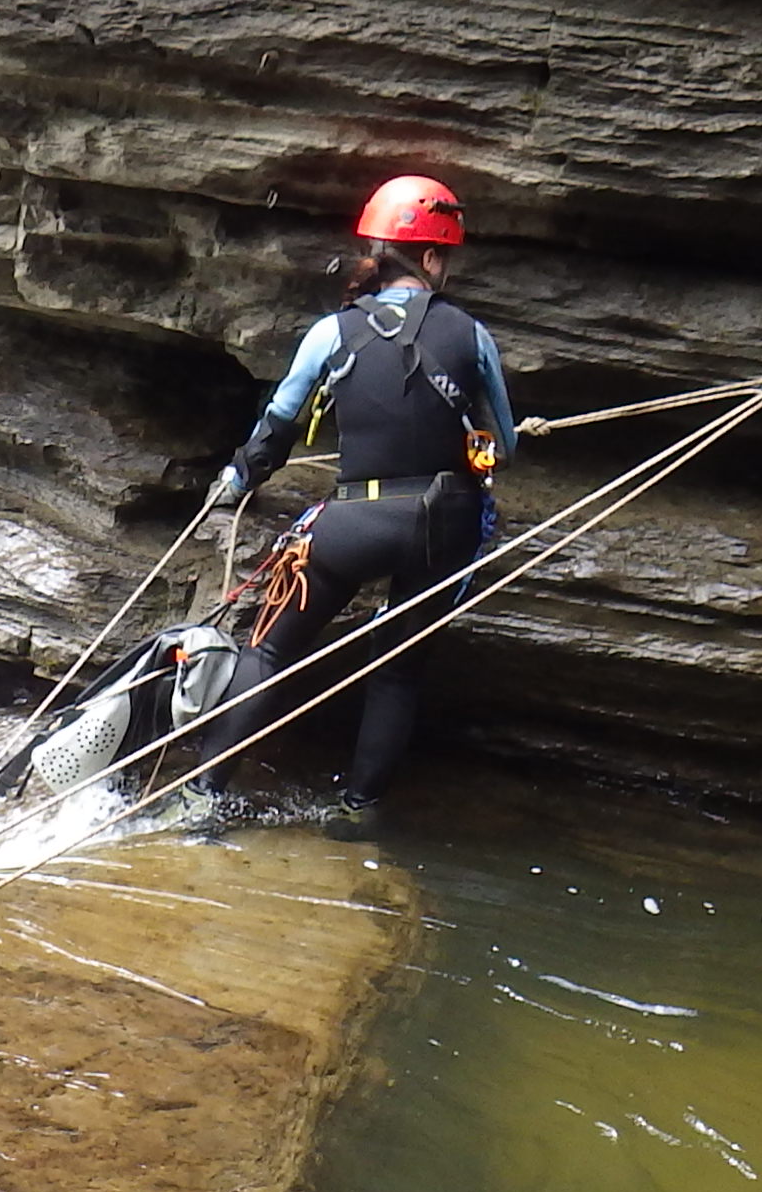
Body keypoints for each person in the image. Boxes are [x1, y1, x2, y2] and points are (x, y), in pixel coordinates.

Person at [201, 173, 527, 837]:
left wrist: (237, 480)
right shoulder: (471, 335)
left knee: (266, 653)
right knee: (398, 670)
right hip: (444, 524)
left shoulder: (333, 332)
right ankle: (357, 812)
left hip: (354, 520)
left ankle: (202, 795)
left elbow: (278, 427)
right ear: (433, 257)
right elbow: (506, 446)